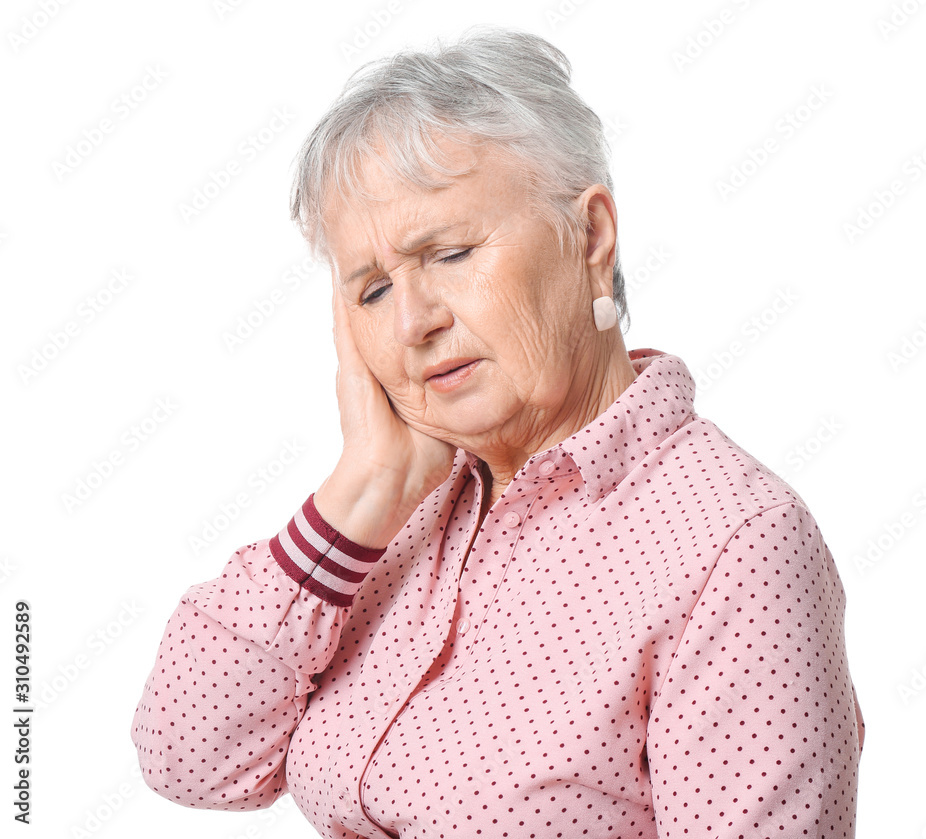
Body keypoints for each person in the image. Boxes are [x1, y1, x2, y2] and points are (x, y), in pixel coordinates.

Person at [131, 25, 864, 839]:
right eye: (371, 291)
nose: (413, 320)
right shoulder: (399, 512)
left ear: (590, 236)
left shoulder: (737, 542)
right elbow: (187, 757)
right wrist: (365, 487)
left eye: (448, 252)